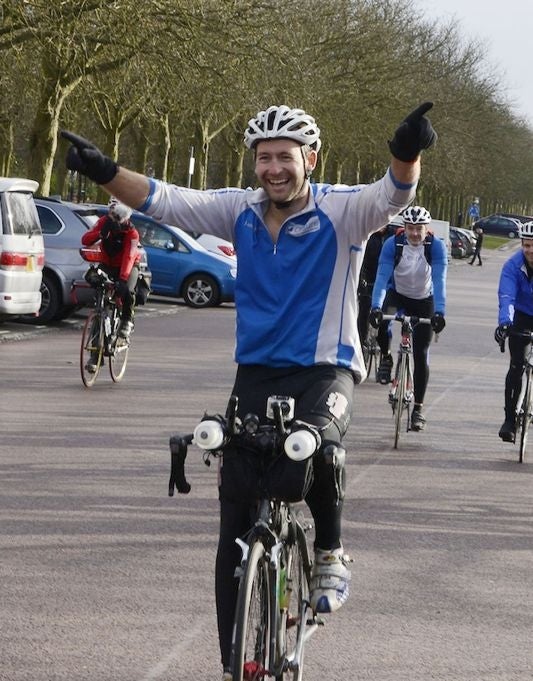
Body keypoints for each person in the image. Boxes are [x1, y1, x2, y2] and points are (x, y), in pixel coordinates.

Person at [61, 101, 437, 680]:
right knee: (233, 514)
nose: (273, 168)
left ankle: (331, 554)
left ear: (309, 159)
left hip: (323, 368)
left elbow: (394, 195)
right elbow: (166, 199)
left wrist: (405, 151)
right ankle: (234, 663)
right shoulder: (239, 210)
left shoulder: (342, 211)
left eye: (285, 157)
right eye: (264, 157)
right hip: (256, 373)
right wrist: (105, 170)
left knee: (317, 446)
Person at [368, 206, 447, 431]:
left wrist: (440, 311)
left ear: (426, 229)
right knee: (382, 321)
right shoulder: (393, 244)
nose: (414, 233)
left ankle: (418, 409)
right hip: (398, 294)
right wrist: (375, 307)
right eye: (410, 228)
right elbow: (382, 277)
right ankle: (386, 356)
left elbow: (440, 281)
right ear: (404, 227)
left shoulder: (436, 247)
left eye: (418, 229)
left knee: (421, 354)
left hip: (425, 300)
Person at [82, 197, 141, 353]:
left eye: (116, 216)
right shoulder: (103, 222)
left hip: (128, 266)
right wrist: (100, 234)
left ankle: (127, 320)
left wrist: (122, 279)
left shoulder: (132, 233)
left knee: (127, 289)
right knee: (95, 281)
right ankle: (96, 346)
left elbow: (129, 257)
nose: (112, 218)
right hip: (108, 264)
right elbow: (85, 239)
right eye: (111, 214)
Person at [495, 220, 533, 442]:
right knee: (516, 366)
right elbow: (507, 296)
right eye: (526, 245)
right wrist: (505, 323)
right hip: (521, 315)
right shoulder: (512, 265)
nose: (530, 250)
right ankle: (509, 419)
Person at [357, 222, 396, 356]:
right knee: (363, 310)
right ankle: (361, 343)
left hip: (387, 279)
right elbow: (360, 260)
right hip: (370, 276)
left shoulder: (393, 235)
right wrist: (362, 279)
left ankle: (385, 348)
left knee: (387, 315)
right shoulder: (367, 235)